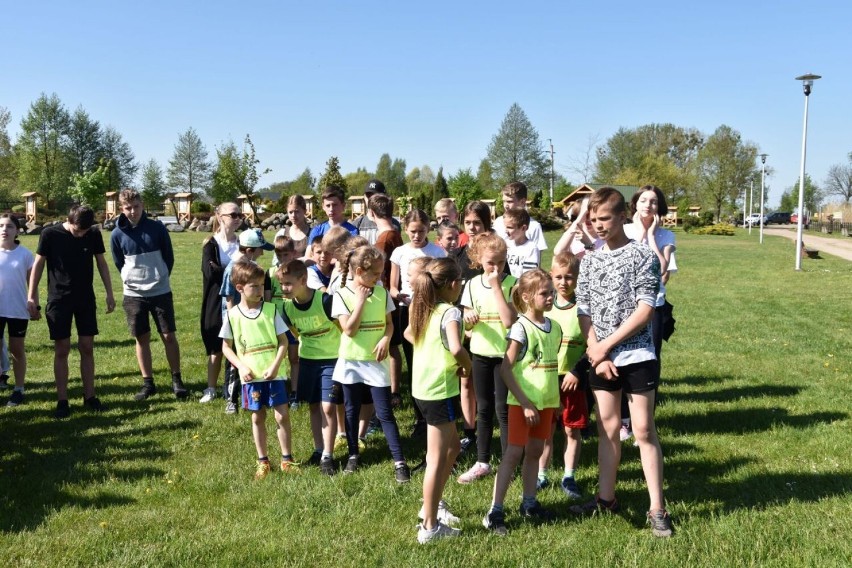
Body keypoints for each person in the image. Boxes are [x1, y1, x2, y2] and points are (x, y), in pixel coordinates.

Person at [568, 187, 673, 538]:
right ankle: (605, 498)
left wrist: (606, 347)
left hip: (638, 355)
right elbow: (583, 309)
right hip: (603, 359)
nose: (598, 226)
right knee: (608, 429)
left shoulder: (642, 256)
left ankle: (657, 508)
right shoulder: (590, 260)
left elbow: (645, 310)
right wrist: (596, 351)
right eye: (593, 219)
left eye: (605, 219)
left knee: (642, 430)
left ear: (621, 218)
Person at [483, 269, 561, 535]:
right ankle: (495, 511)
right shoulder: (520, 328)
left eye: (552, 292)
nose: (550, 297)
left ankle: (529, 503)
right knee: (513, 454)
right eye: (544, 293)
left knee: (535, 452)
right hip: (522, 404)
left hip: (546, 403)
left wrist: (553, 401)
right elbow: (506, 369)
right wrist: (525, 403)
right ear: (527, 296)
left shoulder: (555, 326)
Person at [331, 245, 410, 482]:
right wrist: (361, 301)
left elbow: (389, 323)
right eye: (375, 274)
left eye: (381, 274)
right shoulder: (342, 295)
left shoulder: (383, 293)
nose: (379, 278)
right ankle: (353, 454)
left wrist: (386, 338)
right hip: (351, 362)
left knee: (385, 413)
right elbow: (349, 329)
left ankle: (400, 461)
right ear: (358, 270)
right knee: (352, 409)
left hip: (376, 362)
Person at [28, 205, 116, 418]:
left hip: (85, 299)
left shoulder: (93, 233)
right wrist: (31, 296)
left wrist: (109, 293)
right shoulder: (50, 234)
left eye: (84, 231)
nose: (81, 235)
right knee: (62, 348)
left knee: (87, 347)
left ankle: (90, 396)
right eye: (78, 231)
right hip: (59, 299)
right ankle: (62, 400)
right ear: (69, 222)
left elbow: (102, 264)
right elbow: (38, 265)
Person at [405, 258, 470, 544]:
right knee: (435, 459)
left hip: (422, 388)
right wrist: (466, 366)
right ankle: (429, 526)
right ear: (454, 284)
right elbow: (456, 347)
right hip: (438, 391)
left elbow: (409, 334)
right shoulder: (450, 313)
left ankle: (433, 505)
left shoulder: (421, 307)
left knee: (453, 448)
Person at [220, 260, 296, 479]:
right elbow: (226, 347)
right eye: (254, 286)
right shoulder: (233, 315)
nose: (259, 290)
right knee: (257, 417)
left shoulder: (271, 310)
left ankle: (286, 459)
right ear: (239, 287)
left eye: (261, 286)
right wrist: (241, 366)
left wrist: (274, 366)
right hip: (251, 377)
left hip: (275, 374)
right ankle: (263, 461)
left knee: (282, 416)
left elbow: (283, 342)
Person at [110, 189, 186, 402]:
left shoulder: (157, 228)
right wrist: (132, 280)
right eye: (128, 208)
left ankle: (177, 380)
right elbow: (119, 262)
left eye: (136, 207)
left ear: (142, 205)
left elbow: (168, 257)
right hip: (133, 294)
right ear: (121, 209)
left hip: (160, 290)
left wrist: (159, 276)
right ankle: (148, 383)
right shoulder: (117, 234)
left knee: (168, 335)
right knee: (141, 338)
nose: (133, 212)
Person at [457, 233, 517, 484]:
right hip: (481, 353)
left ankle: (508, 462)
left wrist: (496, 288)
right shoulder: (470, 285)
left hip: (505, 355)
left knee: (503, 409)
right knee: (484, 408)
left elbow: (509, 320)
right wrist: (468, 315)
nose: (496, 268)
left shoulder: (512, 283)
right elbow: (466, 320)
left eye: (501, 262)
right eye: (491, 262)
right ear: (477, 259)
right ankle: (482, 461)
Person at [620, 185, 678, 440]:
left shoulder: (666, 236)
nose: (648, 205)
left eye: (653, 202)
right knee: (621, 358)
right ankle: (624, 420)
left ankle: (644, 422)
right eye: (643, 200)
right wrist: (639, 234)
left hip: (654, 306)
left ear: (660, 207)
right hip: (623, 304)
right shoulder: (623, 231)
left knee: (649, 359)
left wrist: (650, 235)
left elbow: (661, 268)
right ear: (635, 204)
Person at [278, 259, 343, 476]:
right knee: (314, 406)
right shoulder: (286, 308)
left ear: (303, 280)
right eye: (282, 284)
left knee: (328, 407)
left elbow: (342, 328)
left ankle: (328, 455)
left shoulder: (325, 301)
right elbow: (295, 334)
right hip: (308, 361)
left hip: (331, 359)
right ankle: (319, 449)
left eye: (288, 283)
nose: (284, 288)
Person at [389, 209, 447, 436]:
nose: (417, 235)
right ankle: (419, 417)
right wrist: (397, 295)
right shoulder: (399, 252)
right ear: (405, 230)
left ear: (428, 229)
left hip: (431, 309)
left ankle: (435, 413)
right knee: (414, 363)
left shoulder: (437, 252)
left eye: (421, 231)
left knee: (430, 360)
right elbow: (393, 285)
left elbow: (442, 282)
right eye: (413, 231)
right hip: (406, 310)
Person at [536, 252, 587, 498]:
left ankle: (569, 476)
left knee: (571, 430)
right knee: (546, 430)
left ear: (578, 278)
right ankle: (541, 475)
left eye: (569, 277)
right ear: (550, 276)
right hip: (547, 379)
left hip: (573, 380)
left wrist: (578, 372)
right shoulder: (545, 307)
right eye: (558, 277)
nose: (563, 282)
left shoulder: (584, 308)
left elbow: (592, 346)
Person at [220, 228, 275, 414]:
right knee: (234, 361)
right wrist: (234, 323)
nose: (262, 253)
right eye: (260, 250)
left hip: (250, 318)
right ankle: (231, 399)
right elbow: (228, 297)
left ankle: (251, 392)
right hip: (237, 320)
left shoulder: (251, 269)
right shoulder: (233, 268)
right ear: (250, 250)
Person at [200, 202, 243, 403]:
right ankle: (211, 387)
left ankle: (236, 388)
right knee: (215, 346)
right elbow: (210, 273)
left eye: (239, 214)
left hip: (240, 301)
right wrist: (235, 268)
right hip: (215, 301)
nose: (237, 218)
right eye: (233, 214)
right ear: (220, 216)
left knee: (239, 345)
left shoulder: (242, 243)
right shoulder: (211, 244)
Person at [0, 214, 34, 407]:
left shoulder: (25, 255)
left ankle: (18, 389)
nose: (4, 230)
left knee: (16, 350)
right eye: (1, 226)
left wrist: (33, 304)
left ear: (17, 231)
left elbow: (32, 284)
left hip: (17, 309)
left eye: (10, 226)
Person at [492, 182, 548, 252]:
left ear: (522, 202)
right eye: (504, 201)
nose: (506, 205)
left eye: (510, 201)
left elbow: (537, 254)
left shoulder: (534, 226)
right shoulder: (498, 222)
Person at [351, 179, 402, 245]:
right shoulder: (357, 224)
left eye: (375, 196)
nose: (371, 199)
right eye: (368, 196)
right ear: (364, 197)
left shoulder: (394, 224)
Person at [503, 208, 540, 277]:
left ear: (523, 228)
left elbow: (529, 277)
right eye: (505, 227)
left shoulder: (531, 249)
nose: (506, 230)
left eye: (510, 227)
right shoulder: (505, 244)